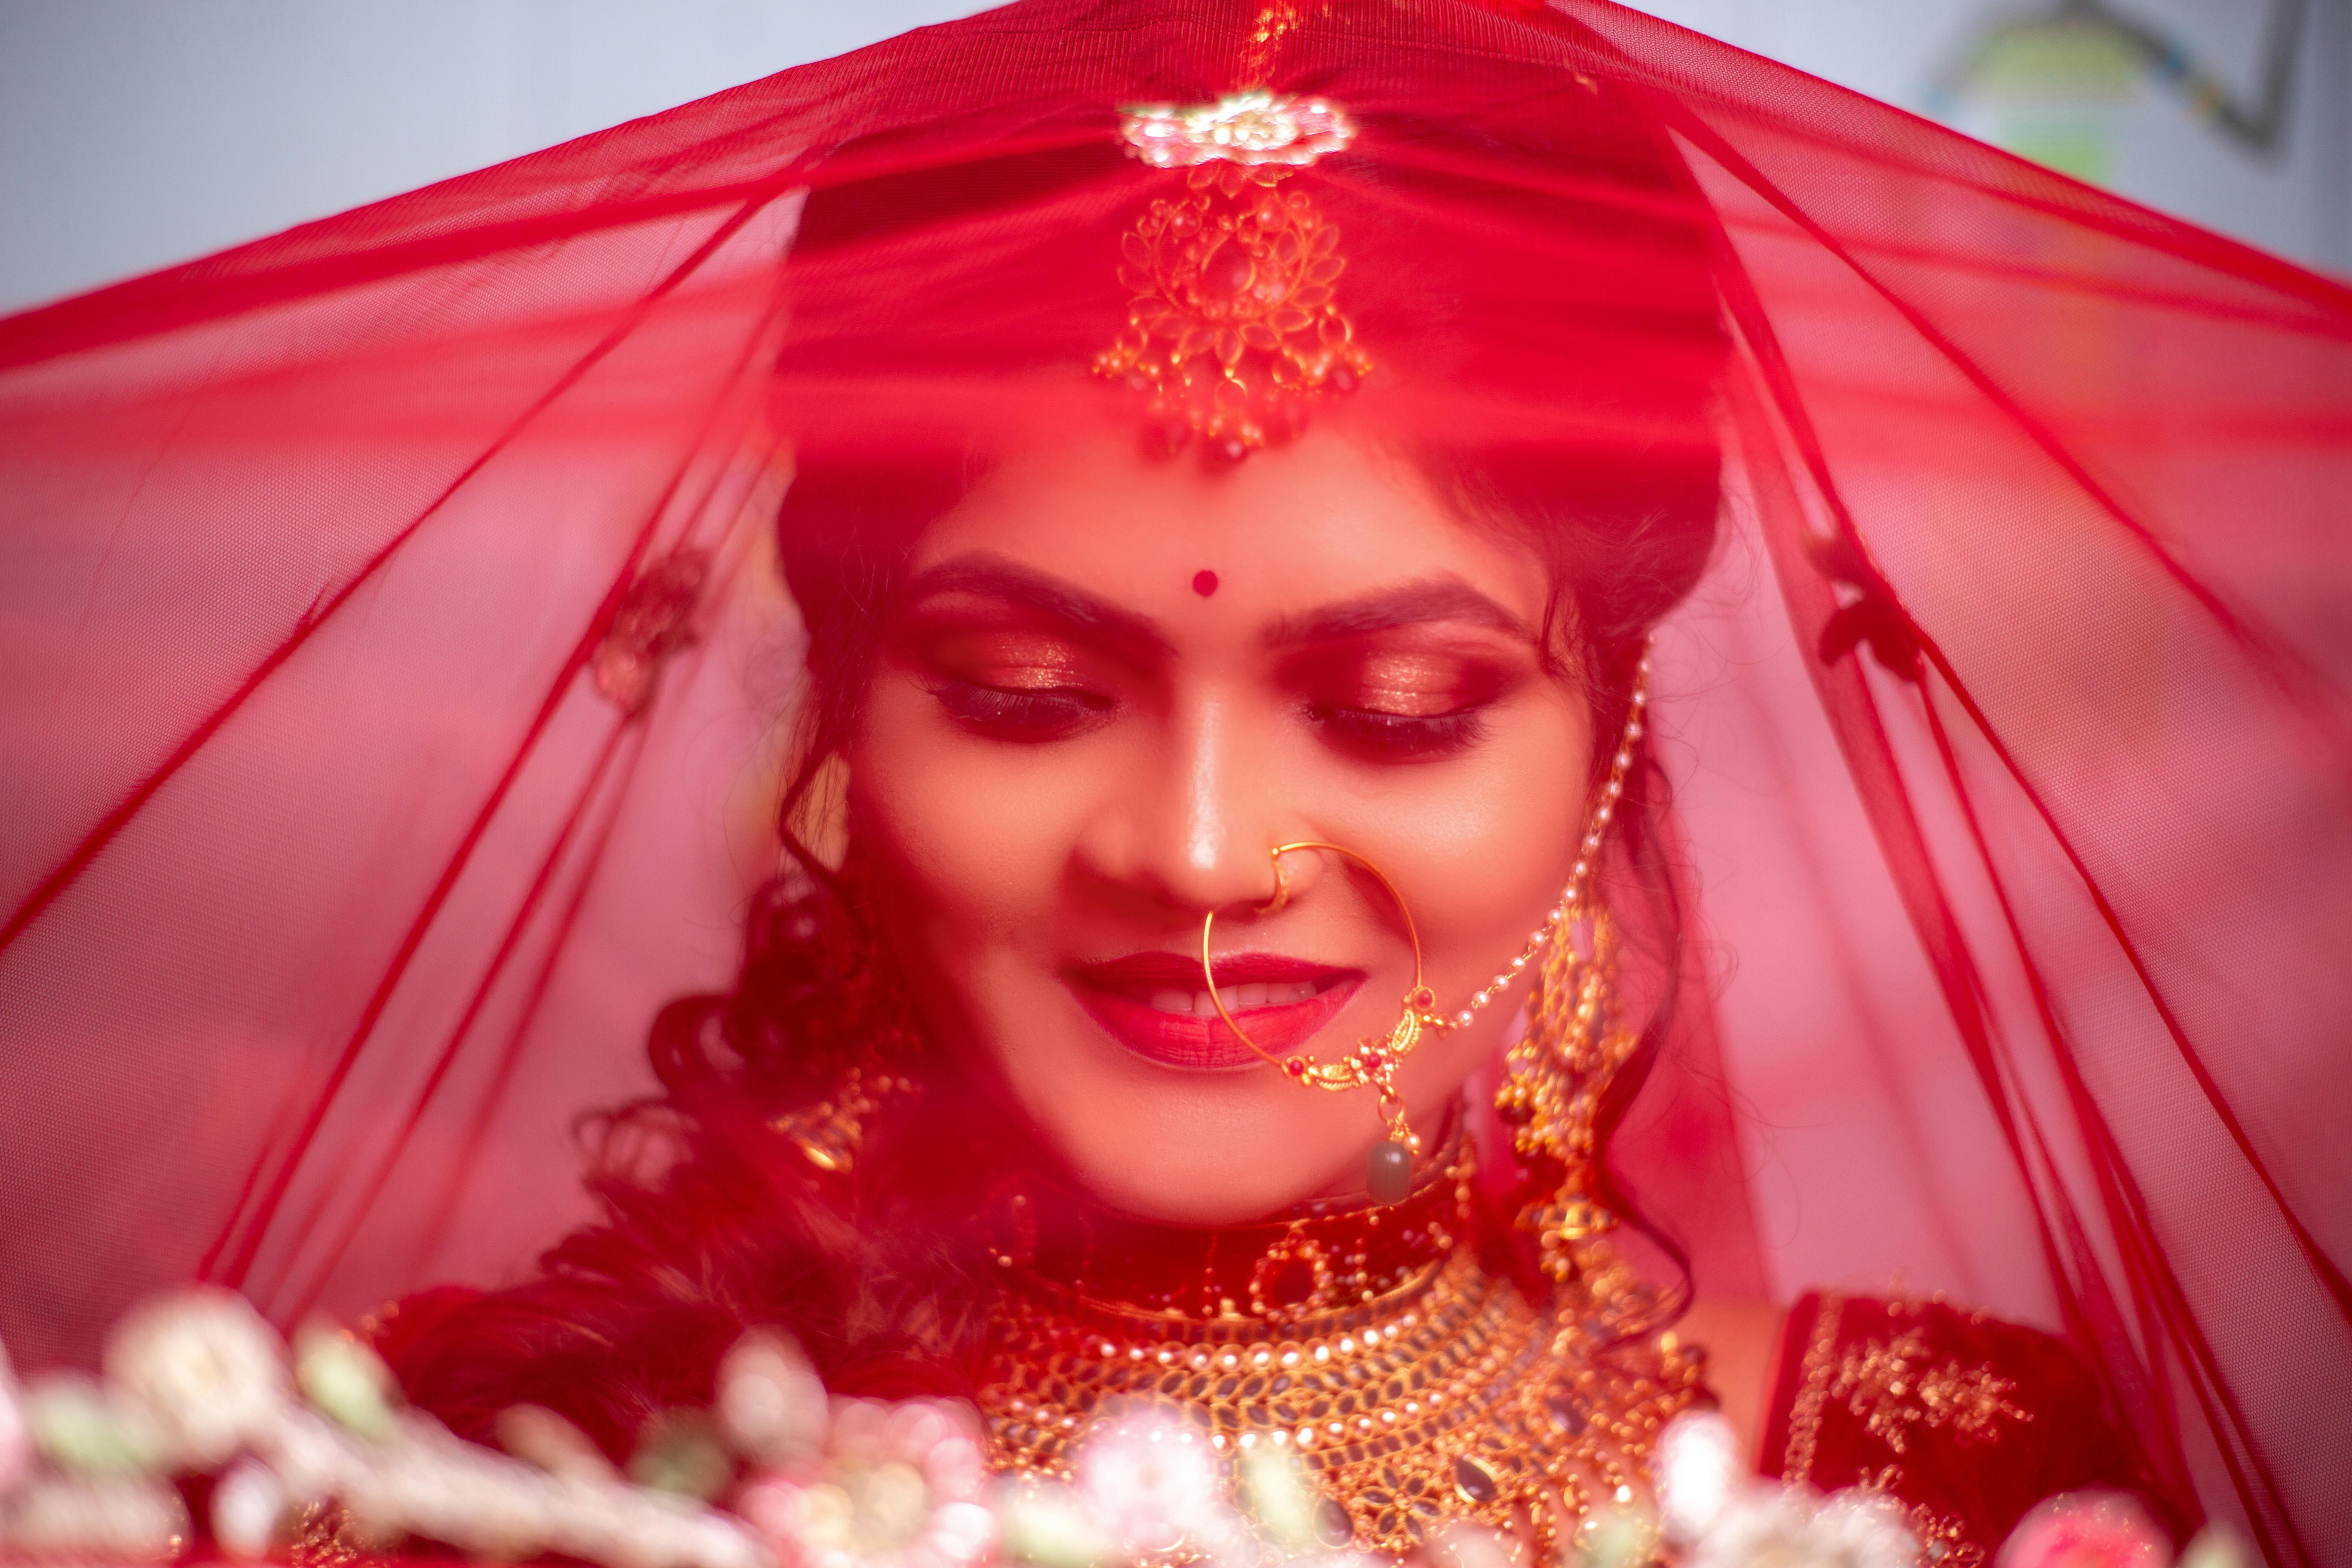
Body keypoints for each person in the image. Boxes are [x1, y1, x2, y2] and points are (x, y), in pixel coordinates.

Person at [1, 0, 2343, 1564]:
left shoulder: (1922, 1481)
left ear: (1608, 715)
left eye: (1401, 711)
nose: (1203, 855)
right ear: (841, 722)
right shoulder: (466, 1481)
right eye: (1026, 692)